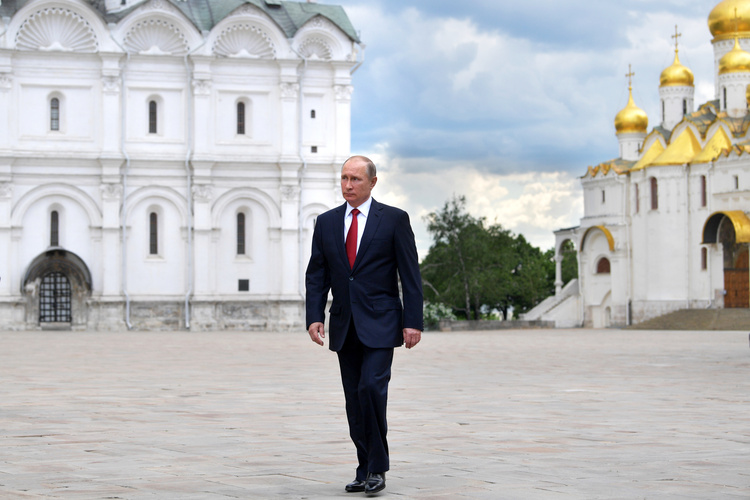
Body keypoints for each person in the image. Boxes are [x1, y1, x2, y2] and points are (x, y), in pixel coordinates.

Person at [305, 155, 423, 495]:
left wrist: (412, 321)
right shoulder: (326, 222)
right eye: (344, 178)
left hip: (382, 321)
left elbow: (410, 275)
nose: (348, 185)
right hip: (344, 324)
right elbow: (317, 274)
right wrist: (314, 315)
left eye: (355, 179)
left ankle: (378, 467)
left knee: (372, 388)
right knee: (354, 399)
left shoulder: (394, 220)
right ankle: (364, 466)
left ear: (372, 182)